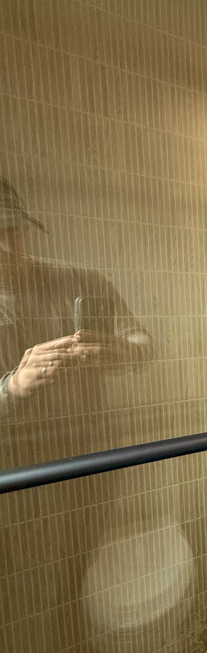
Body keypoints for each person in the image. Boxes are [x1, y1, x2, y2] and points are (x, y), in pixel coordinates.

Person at [0, 177, 152, 461]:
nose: (9, 246)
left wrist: (128, 353)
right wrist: (13, 387)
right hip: (19, 469)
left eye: (14, 229)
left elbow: (142, 340)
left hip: (93, 454)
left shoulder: (83, 280)